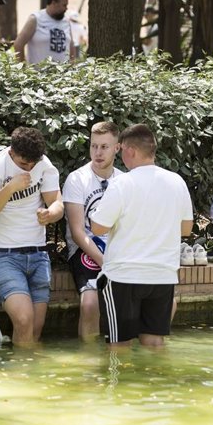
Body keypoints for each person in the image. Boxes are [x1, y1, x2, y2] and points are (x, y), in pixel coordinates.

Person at [90, 124, 193, 348]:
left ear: (131, 151)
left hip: (123, 276)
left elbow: (97, 228)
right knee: (155, 342)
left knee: (118, 345)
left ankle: (119, 384)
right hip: (162, 275)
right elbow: (186, 229)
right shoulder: (177, 182)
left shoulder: (122, 183)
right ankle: (157, 382)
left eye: (121, 149)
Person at [0, 127, 64, 345]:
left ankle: (26, 374)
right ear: (11, 152)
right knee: (24, 320)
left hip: (38, 255)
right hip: (4, 256)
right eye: (24, 164)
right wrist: (10, 188)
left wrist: (50, 214)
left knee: (35, 329)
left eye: (33, 164)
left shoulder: (43, 164)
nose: (29, 168)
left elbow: (57, 203)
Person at [63, 122, 122, 340]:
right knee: (89, 304)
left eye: (104, 147)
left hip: (117, 249)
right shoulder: (77, 179)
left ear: (117, 148)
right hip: (85, 249)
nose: (98, 152)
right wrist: (106, 262)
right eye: (94, 146)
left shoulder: (125, 181)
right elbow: (78, 233)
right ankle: (88, 363)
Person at [14, 0, 75, 64]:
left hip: (63, 74)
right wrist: (22, 68)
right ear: (54, 3)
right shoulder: (35, 19)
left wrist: (72, 63)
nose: (66, 9)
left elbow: (71, 44)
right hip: (39, 74)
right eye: (64, 5)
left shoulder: (66, 21)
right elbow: (18, 44)